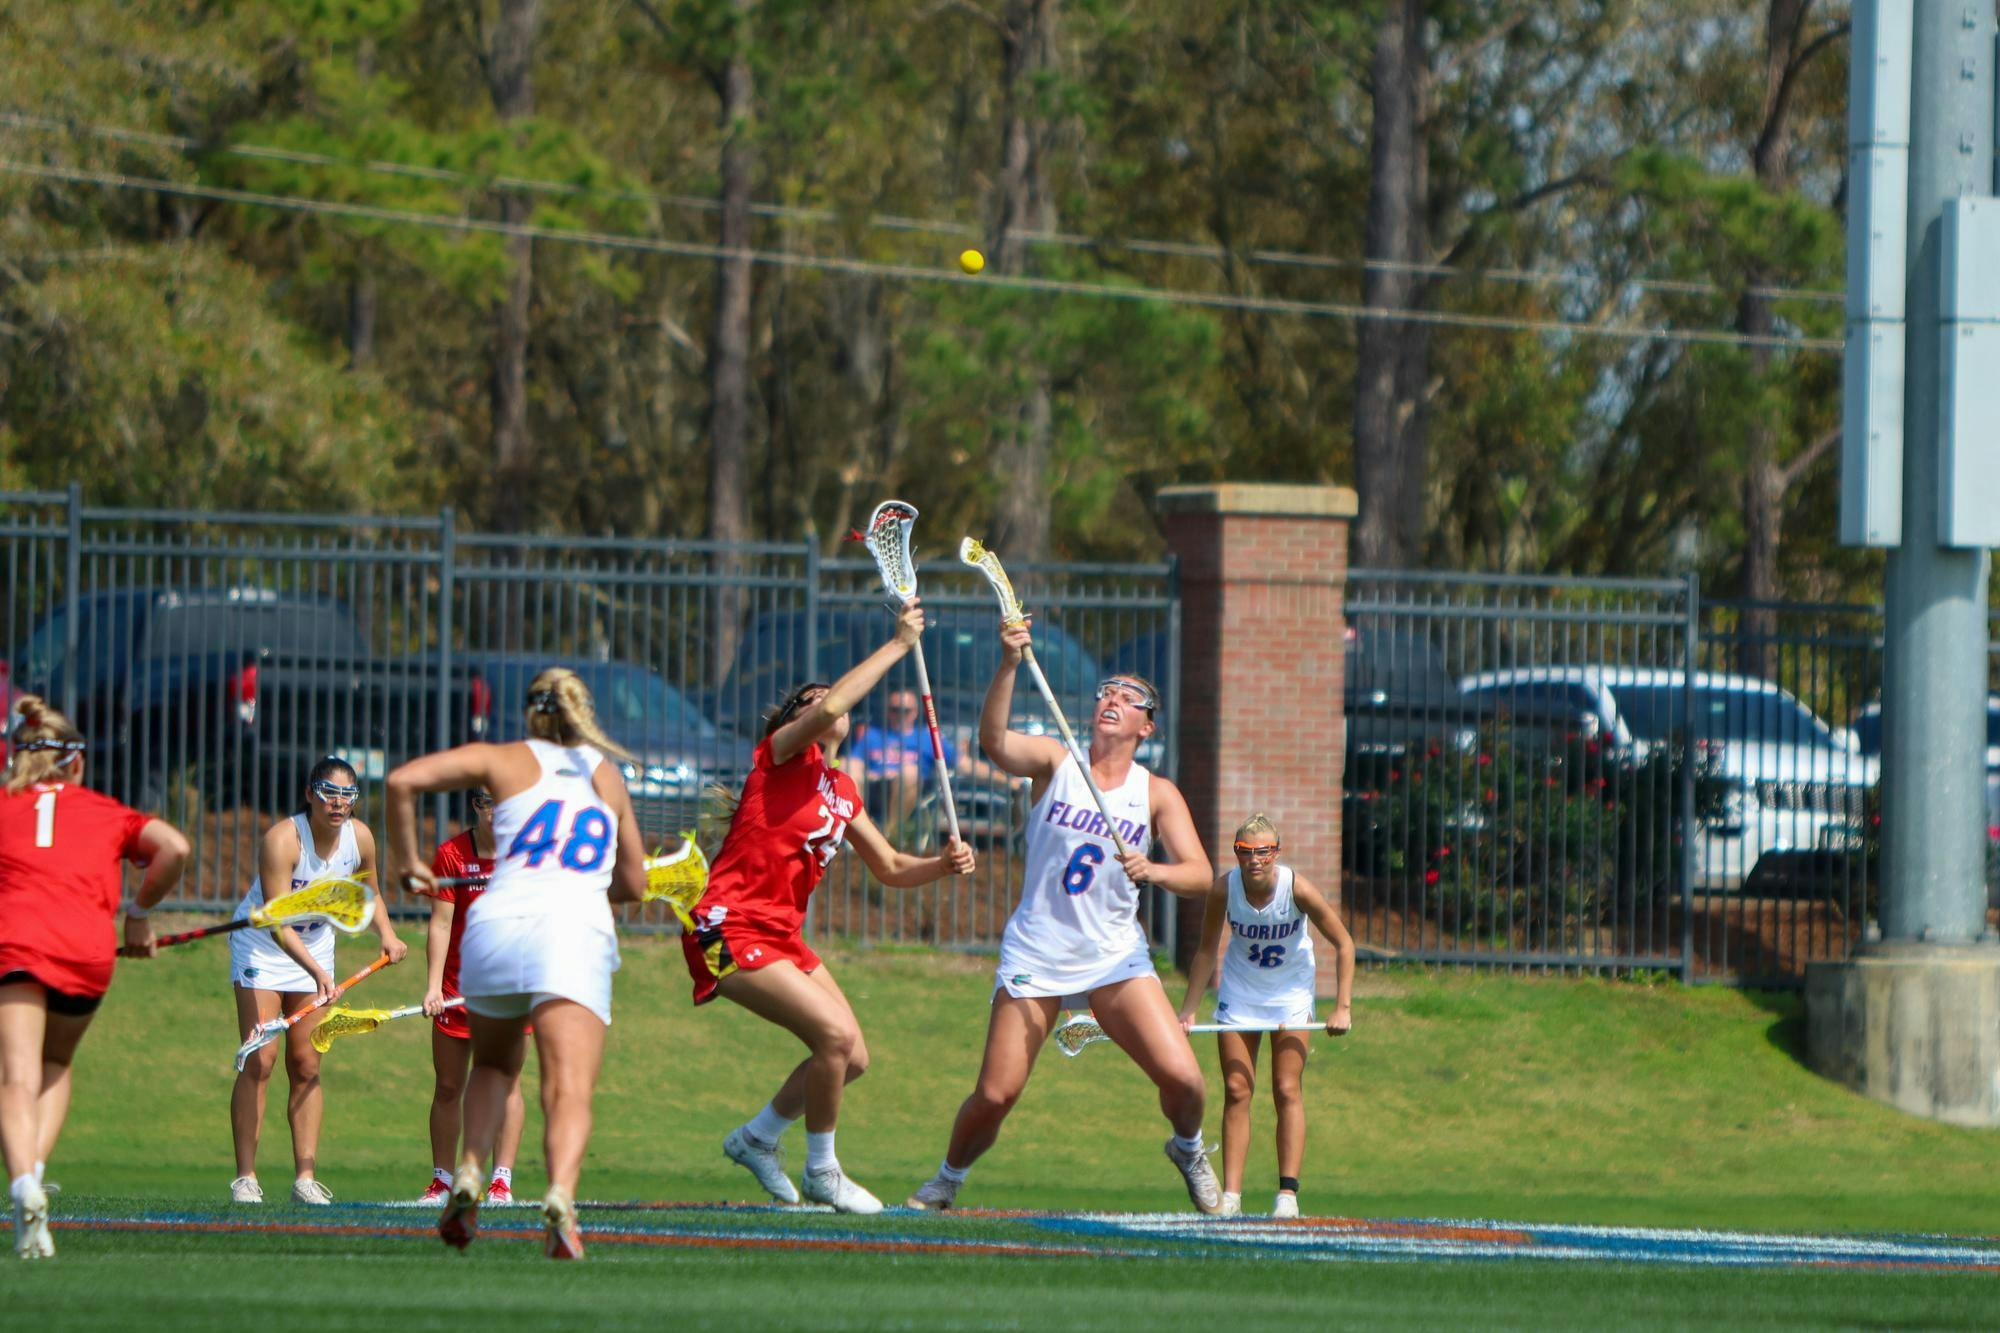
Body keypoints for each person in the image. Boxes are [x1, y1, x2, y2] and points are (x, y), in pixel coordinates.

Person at [907, 628, 1217, 1213]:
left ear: (1146, 727)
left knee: (1186, 1082)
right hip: (1038, 952)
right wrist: (1006, 663)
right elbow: (994, 742)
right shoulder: (1057, 762)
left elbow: (1200, 874)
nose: (1113, 699)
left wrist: (1154, 869)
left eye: (1129, 697)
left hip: (1114, 958)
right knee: (997, 1093)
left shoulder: (1157, 794)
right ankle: (948, 1177)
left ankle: (1189, 1147)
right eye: (1107, 691)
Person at [692, 599, 975, 1215]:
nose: (827, 701)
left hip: (781, 935)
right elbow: (834, 705)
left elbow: (892, 867)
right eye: (812, 699)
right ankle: (824, 1171)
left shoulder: (840, 788)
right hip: (727, 924)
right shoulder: (779, 756)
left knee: (854, 1057)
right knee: (835, 1036)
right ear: (796, 718)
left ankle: (758, 1138)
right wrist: (900, 644)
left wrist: (944, 865)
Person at [388, 667, 649, 1261]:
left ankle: (470, 1173)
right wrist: (579, 878)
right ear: (585, 713)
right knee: (567, 1088)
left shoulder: (500, 760)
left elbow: (403, 781)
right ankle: (559, 1196)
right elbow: (632, 883)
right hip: (571, 933)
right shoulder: (605, 776)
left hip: (495, 927)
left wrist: (407, 861)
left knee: (493, 1069)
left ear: (530, 712)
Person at [0, 695, 190, 1259]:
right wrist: (138, 914)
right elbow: (175, 847)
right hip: (85, 951)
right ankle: (33, 1171)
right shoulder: (107, 811)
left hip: (16, 943)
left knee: (16, 1076)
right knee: (55, 1062)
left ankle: (23, 1186)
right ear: (76, 761)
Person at [228, 756, 407, 1206]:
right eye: (329, 792)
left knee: (306, 1064)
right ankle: (245, 1178)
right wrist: (318, 973)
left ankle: (305, 1178)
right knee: (261, 1059)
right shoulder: (283, 840)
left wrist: (386, 934)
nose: (339, 802)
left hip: (315, 948)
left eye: (348, 794)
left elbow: (369, 892)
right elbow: (278, 923)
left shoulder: (359, 837)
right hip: (263, 947)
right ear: (310, 793)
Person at [1176, 813, 1354, 1218]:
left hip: (1290, 994)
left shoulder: (1297, 889)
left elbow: (1344, 943)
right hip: (1240, 992)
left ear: (1276, 852)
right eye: (1245, 852)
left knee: (1286, 1088)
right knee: (1238, 1090)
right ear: (1236, 853)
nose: (1255, 860)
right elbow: (1206, 951)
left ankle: (1287, 1195)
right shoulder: (1224, 889)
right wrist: (1187, 1010)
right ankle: (1232, 1198)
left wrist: (1341, 1006)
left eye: (1263, 852)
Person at [415, 787, 528, 1206]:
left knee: (507, 1082)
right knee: (448, 1086)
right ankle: (442, 1180)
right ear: (475, 807)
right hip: (457, 990)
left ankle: (501, 1181)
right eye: (485, 802)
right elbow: (441, 924)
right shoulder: (452, 854)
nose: (495, 812)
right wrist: (432, 987)